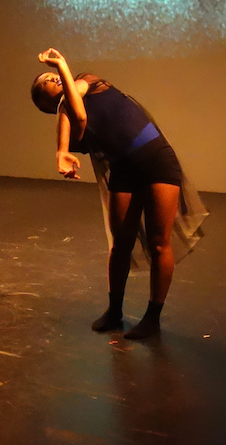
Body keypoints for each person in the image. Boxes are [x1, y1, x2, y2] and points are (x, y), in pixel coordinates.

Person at [31, 48, 206, 339]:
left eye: (54, 75)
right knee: (120, 244)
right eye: (46, 82)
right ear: (45, 103)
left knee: (159, 242)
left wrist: (63, 64)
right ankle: (114, 311)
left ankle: (152, 318)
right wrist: (62, 150)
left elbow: (74, 97)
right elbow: (77, 114)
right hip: (124, 171)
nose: (54, 79)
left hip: (156, 161)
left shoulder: (88, 80)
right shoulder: (74, 127)